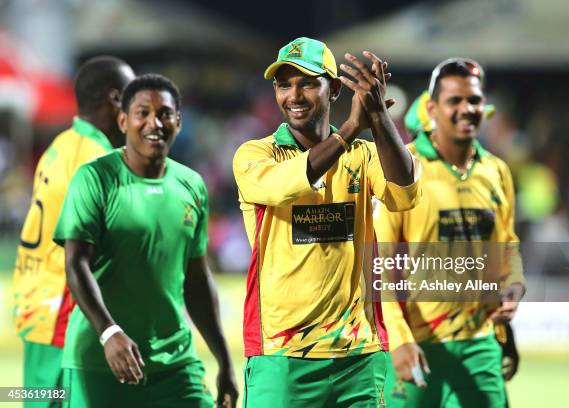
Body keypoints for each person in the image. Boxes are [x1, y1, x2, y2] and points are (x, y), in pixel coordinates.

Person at [232, 37, 422, 407]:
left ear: (334, 89)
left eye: (307, 83)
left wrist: (378, 117)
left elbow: (405, 193)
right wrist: (351, 126)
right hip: (282, 356)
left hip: (359, 356)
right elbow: (284, 186)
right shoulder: (255, 154)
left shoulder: (363, 155)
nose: (295, 95)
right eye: (284, 85)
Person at [53, 74, 238, 407]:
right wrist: (109, 332)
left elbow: (196, 279)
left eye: (165, 113)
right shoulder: (95, 178)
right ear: (123, 120)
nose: (155, 122)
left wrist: (225, 362)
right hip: (100, 361)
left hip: (175, 365)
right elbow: (76, 263)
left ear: (178, 122)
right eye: (143, 113)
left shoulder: (191, 185)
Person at [374, 58, 526, 407]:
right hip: (416, 345)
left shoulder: (496, 170)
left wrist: (513, 284)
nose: (466, 109)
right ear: (432, 108)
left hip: (480, 343)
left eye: (473, 100)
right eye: (454, 100)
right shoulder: (404, 168)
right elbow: (380, 266)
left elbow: (507, 246)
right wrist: (398, 340)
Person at [12, 56, 135, 405]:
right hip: (64, 311)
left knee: (38, 398)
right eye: (131, 94)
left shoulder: (59, 146)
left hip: (38, 300)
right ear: (114, 99)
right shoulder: (97, 158)